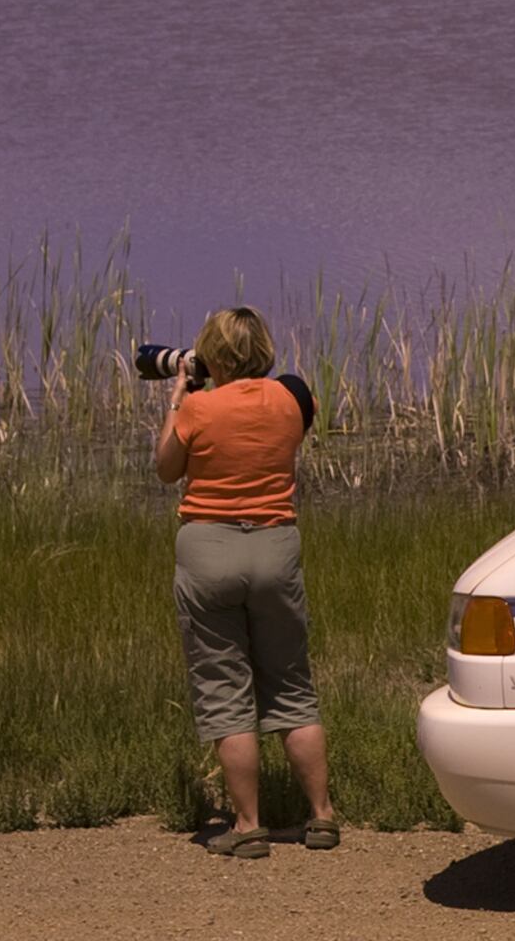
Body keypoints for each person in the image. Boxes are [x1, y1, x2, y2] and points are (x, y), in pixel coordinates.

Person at [154, 305, 335, 857]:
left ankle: (248, 824)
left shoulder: (200, 407)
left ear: (211, 355)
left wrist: (178, 402)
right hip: (275, 546)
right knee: (292, 688)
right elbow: (298, 423)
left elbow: (166, 469)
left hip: (208, 549)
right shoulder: (291, 398)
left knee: (225, 690)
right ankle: (323, 817)